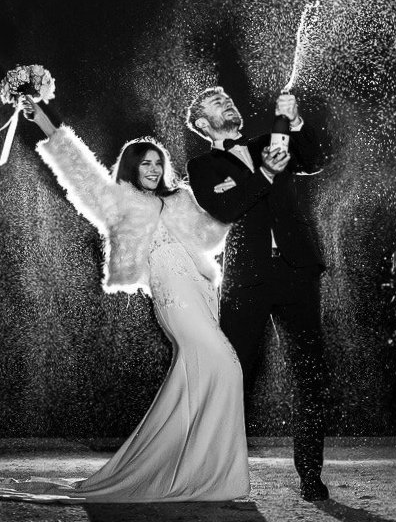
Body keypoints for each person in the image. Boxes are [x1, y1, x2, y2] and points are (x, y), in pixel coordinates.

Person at [0, 98, 249, 503]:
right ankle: (207, 470)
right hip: (174, 299)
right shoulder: (117, 201)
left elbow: (215, 231)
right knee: (226, 366)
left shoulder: (184, 196)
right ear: (131, 167)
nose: (153, 169)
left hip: (202, 293)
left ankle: (199, 473)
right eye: (144, 163)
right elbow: (77, 168)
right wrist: (45, 117)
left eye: (157, 162)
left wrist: (232, 188)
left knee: (199, 379)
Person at [186, 87, 329, 502]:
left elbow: (314, 160)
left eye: (228, 100)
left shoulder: (270, 141)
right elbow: (225, 208)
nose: (228, 105)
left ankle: (310, 475)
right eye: (218, 104)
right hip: (246, 279)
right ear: (202, 124)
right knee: (235, 377)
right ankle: (219, 472)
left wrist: (296, 122)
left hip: (297, 271)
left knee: (310, 377)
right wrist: (264, 174)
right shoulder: (202, 166)